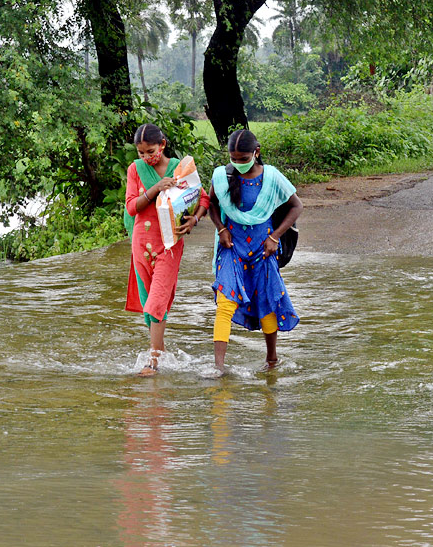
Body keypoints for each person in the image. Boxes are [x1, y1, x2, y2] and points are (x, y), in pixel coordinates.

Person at [207, 128, 302, 375]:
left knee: (267, 301)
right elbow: (212, 204)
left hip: (264, 247)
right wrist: (220, 229)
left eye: (243, 158)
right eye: (233, 158)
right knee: (225, 303)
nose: (238, 163)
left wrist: (275, 237)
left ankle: (271, 359)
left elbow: (296, 206)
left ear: (256, 152)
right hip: (231, 246)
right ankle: (218, 368)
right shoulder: (221, 176)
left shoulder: (271, 177)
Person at [124, 123, 210, 376]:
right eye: (141, 153)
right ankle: (159, 350)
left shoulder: (179, 168)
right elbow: (132, 207)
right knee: (147, 299)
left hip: (169, 243)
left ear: (162, 145)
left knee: (157, 299)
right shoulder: (135, 169)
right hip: (141, 242)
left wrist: (194, 220)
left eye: (150, 151)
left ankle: (153, 360)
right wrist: (156, 188)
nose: (146, 157)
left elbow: (202, 198)